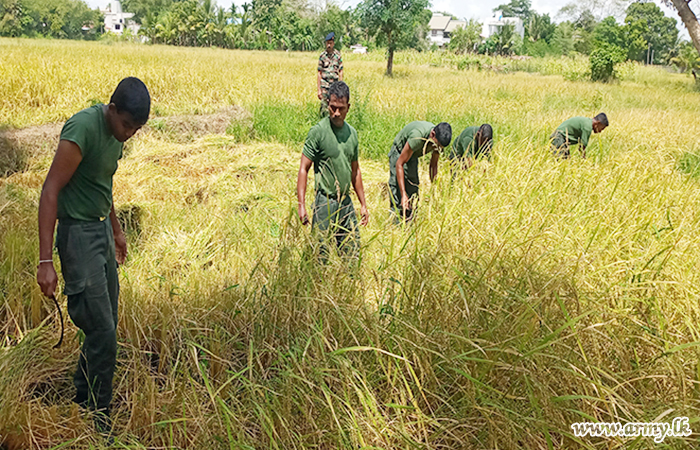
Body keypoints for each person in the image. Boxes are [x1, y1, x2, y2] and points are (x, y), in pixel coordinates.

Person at [36, 77, 150, 436]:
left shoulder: (116, 136)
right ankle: (100, 421)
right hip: (78, 235)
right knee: (102, 331)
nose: (130, 134)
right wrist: (45, 262)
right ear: (112, 110)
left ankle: (82, 400)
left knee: (106, 325)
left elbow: (104, 183)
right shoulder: (82, 128)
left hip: (100, 230)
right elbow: (50, 190)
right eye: (127, 125)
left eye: (136, 129)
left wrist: (116, 230)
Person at [298, 81, 368, 262]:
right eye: (332, 107)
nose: (336, 113)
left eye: (341, 108)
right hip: (325, 202)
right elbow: (304, 168)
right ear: (327, 104)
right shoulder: (318, 132)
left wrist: (363, 204)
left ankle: (349, 285)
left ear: (348, 108)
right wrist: (302, 204)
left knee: (352, 251)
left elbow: (355, 171)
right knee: (320, 254)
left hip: (345, 201)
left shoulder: (352, 134)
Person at [388, 121, 452, 220]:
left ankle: (410, 222)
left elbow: (433, 165)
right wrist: (403, 194)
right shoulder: (416, 137)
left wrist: (435, 188)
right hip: (400, 152)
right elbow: (399, 164)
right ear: (432, 134)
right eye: (437, 145)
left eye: (440, 148)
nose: (438, 149)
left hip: (413, 154)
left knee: (413, 187)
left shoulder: (438, 141)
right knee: (397, 189)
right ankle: (394, 221)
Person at [317, 32, 343, 117]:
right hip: (324, 85)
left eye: (330, 43)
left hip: (334, 85)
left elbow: (341, 71)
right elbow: (319, 73)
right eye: (327, 43)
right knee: (324, 106)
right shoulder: (322, 56)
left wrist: (340, 86)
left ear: (333, 44)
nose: (329, 45)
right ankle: (321, 122)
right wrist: (319, 90)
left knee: (334, 105)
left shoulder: (337, 55)